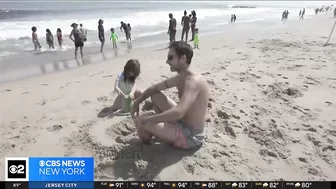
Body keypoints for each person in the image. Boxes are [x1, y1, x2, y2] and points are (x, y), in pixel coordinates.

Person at [131, 41, 209, 149]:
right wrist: (137, 102)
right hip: (183, 121)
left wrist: (150, 119)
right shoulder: (182, 77)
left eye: (170, 57)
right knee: (155, 95)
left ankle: (155, 136)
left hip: (191, 135)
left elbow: (179, 112)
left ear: (183, 58)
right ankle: (163, 130)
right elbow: (154, 88)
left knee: (143, 123)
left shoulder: (193, 82)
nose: (167, 61)